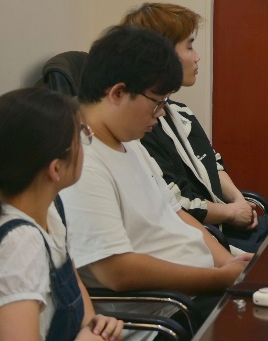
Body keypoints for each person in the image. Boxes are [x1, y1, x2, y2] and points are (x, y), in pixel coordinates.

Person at [60, 26, 250, 311]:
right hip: (170, 309)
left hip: (201, 288)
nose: (160, 114)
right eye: (157, 102)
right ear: (118, 93)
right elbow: (116, 271)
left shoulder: (130, 142)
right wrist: (218, 279)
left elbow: (176, 213)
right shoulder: (82, 163)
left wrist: (229, 264)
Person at [0, 87, 124, 341]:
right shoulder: (18, 247)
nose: (86, 143)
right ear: (55, 169)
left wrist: (94, 326)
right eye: (81, 136)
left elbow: (76, 290)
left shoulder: (49, 211)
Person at [119, 2, 268, 253]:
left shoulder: (179, 112)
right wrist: (230, 213)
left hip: (224, 226)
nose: (197, 56)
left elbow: (211, 162)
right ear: (162, 55)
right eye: (189, 46)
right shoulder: (140, 129)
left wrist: (239, 202)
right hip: (204, 236)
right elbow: (175, 205)